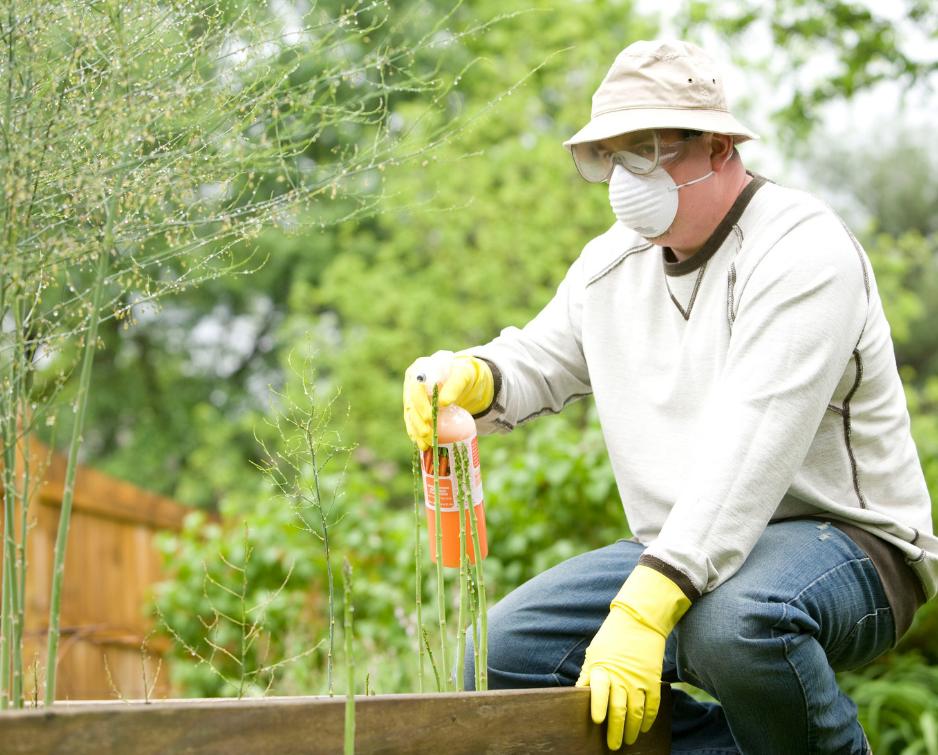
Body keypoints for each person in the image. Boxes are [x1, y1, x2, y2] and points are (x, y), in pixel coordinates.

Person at [402, 40, 938, 754]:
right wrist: (471, 375)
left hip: (848, 542)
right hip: (679, 546)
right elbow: (539, 359)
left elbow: (752, 449)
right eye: (608, 156)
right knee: (495, 660)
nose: (625, 177)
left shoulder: (802, 251)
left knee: (735, 625)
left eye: (648, 149)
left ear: (718, 147)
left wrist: (646, 606)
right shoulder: (611, 263)